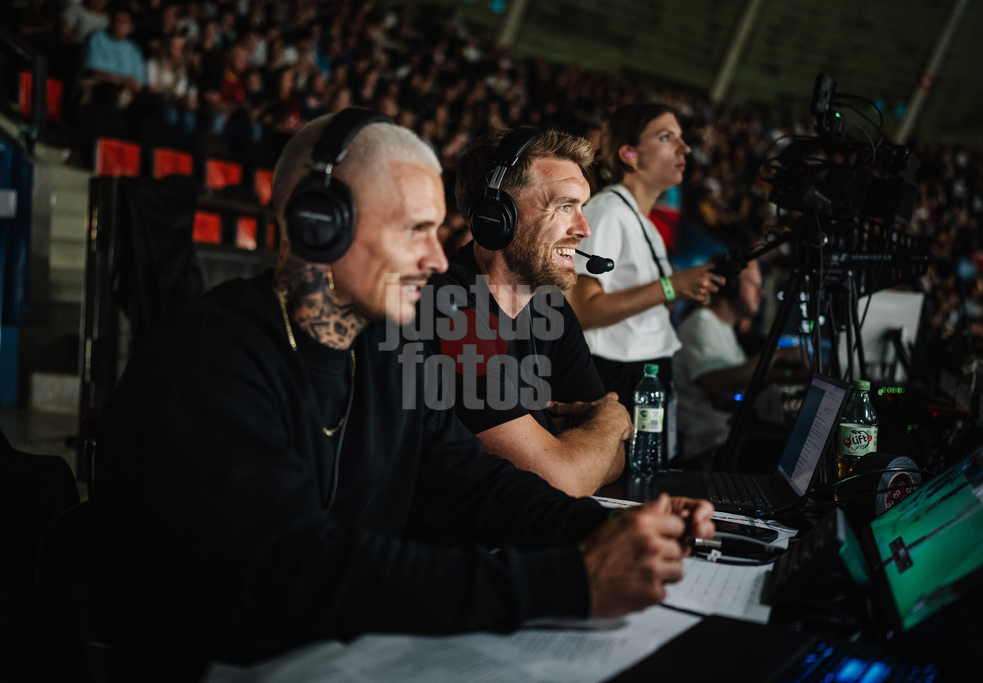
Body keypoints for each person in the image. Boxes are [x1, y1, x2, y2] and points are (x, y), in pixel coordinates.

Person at [82, 109, 714, 667]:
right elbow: (298, 570)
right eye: (415, 230)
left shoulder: (386, 348)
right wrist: (571, 582)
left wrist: (604, 532)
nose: (439, 261)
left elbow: (475, 483)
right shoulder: (211, 357)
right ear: (318, 223)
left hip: (326, 650)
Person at [425, 128, 630, 497]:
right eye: (565, 206)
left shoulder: (551, 308)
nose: (584, 229)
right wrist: (611, 420)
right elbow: (559, 481)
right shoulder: (449, 308)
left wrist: (588, 443)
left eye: (582, 208)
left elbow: (616, 458)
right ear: (495, 217)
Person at [566, 103, 724, 463]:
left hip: (645, 372)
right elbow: (583, 309)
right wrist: (670, 288)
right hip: (617, 376)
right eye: (667, 137)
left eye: (683, 139)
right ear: (630, 154)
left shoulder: (644, 222)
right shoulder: (607, 210)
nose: (684, 149)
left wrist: (672, 291)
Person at [675, 258, 801, 463]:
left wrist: (789, 375)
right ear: (728, 284)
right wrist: (774, 355)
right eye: (753, 284)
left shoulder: (723, 328)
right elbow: (716, 383)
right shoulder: (701, 324)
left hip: (726, 442)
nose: (761, 293)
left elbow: (741, 379)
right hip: (706, 450)